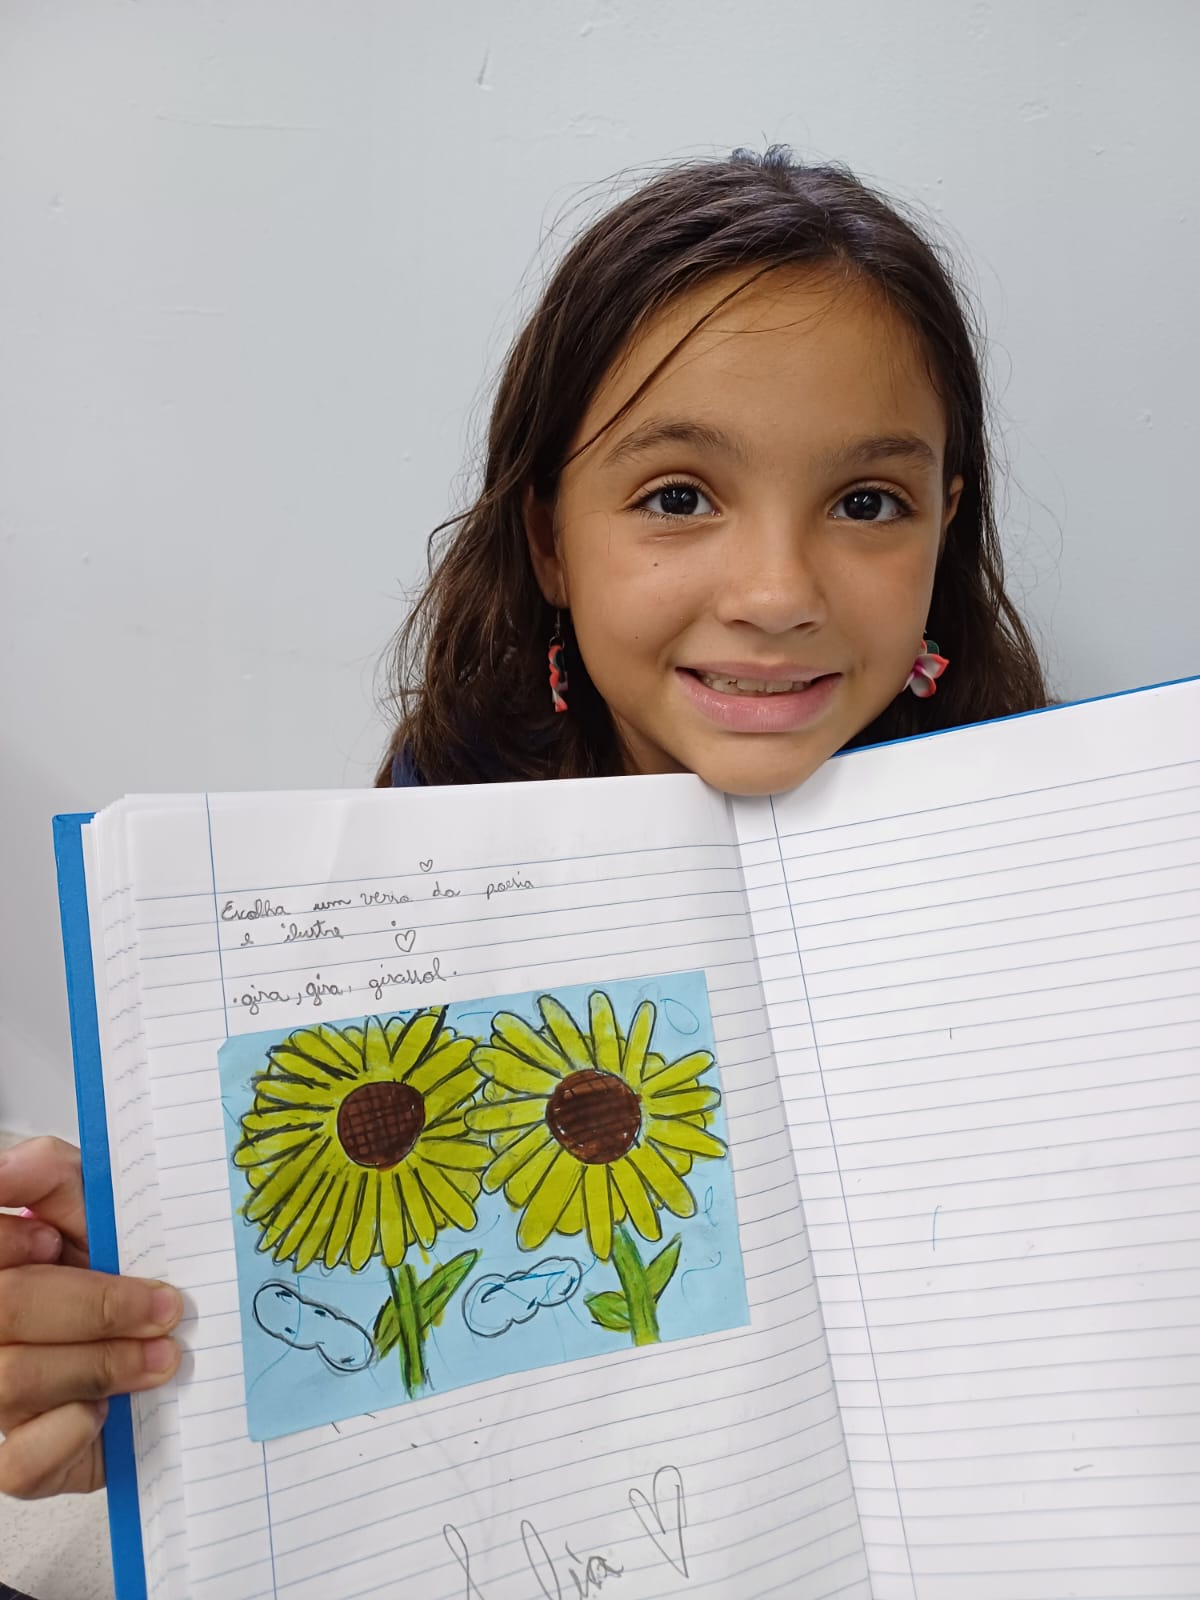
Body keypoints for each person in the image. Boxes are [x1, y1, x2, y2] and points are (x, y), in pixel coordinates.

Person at [0, 147, 1046, 1517]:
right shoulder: (433, 840)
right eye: (678, 496)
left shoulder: (1060, 864)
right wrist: (161, 1365)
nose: (777, 591)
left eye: (868, 503)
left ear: (943, 527)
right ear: (551, 537)